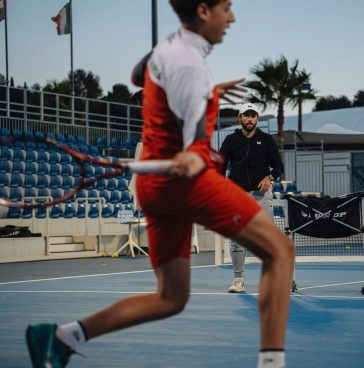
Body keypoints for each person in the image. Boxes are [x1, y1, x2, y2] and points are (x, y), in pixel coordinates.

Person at [25, 1, 294, 367]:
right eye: (227, 8)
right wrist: (193, 147)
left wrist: (208, 96)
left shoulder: (166, 50)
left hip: (154, 186)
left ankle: (61, 337)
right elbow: (194, 140)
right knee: (280, 252)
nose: (231, 17)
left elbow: (141, 75)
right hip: (184, 183)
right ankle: (272, 364)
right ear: (203, 10)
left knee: (171, 297)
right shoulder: (190, 66)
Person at [220, 102, 284, 293]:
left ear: (257, 119)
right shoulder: (230, 140)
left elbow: (279, 167)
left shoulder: (266, 140)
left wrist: (269, 177)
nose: (250, 119)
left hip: (261, 196)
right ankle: (238, 280)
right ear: (240, 119)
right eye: (246, 116)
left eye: (253, 115)